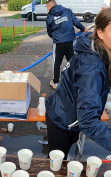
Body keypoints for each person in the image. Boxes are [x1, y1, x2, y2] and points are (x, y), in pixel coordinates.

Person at [45, 7, 111, 160]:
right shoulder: (91, 67)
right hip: (61, 119)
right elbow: (88, 121)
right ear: (100, 33)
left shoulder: (94, 45)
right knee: (56, 163)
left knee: (65, 153)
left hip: (70, 112)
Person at [46, 0, 88, 89]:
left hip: (58, 43)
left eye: (47, 7)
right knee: (72, 61)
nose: (47, 9)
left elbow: (49, 32)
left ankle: (55, 82)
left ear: (50, 6)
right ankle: (75, 80)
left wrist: (55, 37)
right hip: (70, 41)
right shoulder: (67, 11)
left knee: (56, 62)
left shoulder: (49, 17)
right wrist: (83, 28)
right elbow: (76, 22)